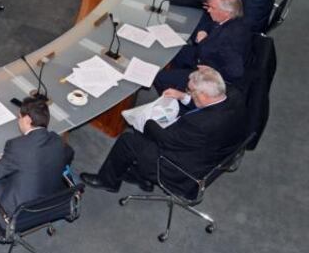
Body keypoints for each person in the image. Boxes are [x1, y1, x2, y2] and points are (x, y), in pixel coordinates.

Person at [82, 67, 246, 194]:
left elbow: (166, 140)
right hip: (213, 151)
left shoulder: (200, 124)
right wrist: (183, 97)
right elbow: (203, 106)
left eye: (191, 91)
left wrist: (147, 121)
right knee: (147, 133)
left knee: (129, 140)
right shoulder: (233, 95)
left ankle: (108, 181)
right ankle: (142, 177)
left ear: (203, 94)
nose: (188, 93)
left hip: (181, 170)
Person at [0, 97, 74, 216]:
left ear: (27, 119)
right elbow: (69, 153)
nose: (18, 121)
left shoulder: (17, 146)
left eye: (19, 117)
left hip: (18, 211)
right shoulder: (57, 140)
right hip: (49, 200)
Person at [152, 0, 250, 92]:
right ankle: (179, 82)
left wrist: (211, 71)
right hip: (204, 54)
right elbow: (210, 23)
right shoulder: (228, 18)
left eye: (212, 8)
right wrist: (203, 30)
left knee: (159, 78)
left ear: (227, 12)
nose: (208, 10)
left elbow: (235, 72)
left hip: (208, 71)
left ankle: (176, 97)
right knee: (174, 49)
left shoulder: (230, 39)